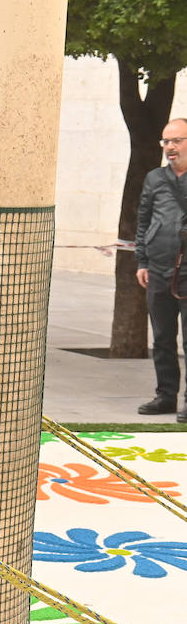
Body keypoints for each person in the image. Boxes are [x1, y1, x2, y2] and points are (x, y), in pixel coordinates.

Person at [135, 116, 187, 420]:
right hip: (158, 270)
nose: (170, 147)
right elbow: (143, 220)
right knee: (163, 338)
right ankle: (166, 396)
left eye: (176, 140)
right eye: (166, 141)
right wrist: (142, 261)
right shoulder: (155, 178)